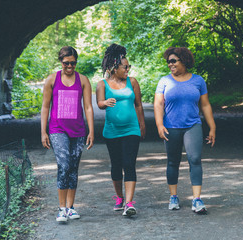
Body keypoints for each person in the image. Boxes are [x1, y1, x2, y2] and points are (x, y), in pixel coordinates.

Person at [154, 47, 216, 214]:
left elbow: (205, 105)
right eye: (168, 62)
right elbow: (158, 104)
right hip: (171, 127)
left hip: (192, 125)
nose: (170, 64)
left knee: (195, 159)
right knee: (173, 161)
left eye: (173, 61)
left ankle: (197, 199)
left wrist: (212, 127)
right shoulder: (164, 81)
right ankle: (173, 196)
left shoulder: (198, 81)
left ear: (184, 61)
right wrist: (160, 125)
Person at [41, 46, 94, 222]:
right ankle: (61, 208)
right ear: (61, 62)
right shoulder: (52, 80)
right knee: (63, 165)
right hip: (58, 129)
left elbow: (88, 107)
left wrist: (91, 131)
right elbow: (45, 107)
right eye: (66, 63)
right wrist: (43, 132)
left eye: (73, 63)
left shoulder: (83, 80)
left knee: (73, 168)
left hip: (78, 130)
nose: (70, 66)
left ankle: (71, 207)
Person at [96, 43, 146, 217]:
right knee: (116, 165)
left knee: (129, 164)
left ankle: (129, 203)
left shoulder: (132, 82)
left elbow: (138, 105)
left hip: (131, 129)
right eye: (125, 67)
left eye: (129, 66)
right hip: (112, 131)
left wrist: (142, 125)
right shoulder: (102, 84)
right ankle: (119, 197)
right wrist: (105, 103)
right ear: (114, 67)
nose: (128, 69)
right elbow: (99, 103)